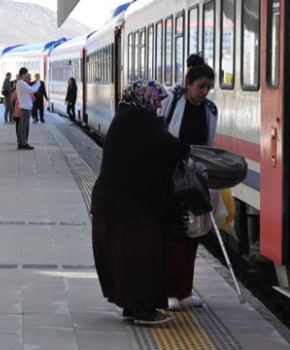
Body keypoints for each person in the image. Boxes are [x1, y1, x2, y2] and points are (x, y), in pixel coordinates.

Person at [91, 79, 191, 325]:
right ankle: (144, 310)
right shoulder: (138, 118)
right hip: (129, 204)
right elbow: (171, 147)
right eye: (156, 99)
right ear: (144, 97)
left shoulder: (127, 116)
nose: (158, 104)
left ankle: (133, 306)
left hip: (118, 202)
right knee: (143, 257)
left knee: (129, 257)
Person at [158, 54, 218, 311]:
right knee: (172, 233)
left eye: (208, 88)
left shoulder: (210, 110)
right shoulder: (171, 101)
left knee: (193, 234)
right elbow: (159, 137)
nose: (204, 92)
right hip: (170, 176)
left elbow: (209, 145)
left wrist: (205, 170)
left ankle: (184, 290)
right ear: (189, 83)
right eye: (200, 86)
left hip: (195, 178)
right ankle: (168, 290)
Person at [15, 67, 41, 150]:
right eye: (26, 73)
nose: (27, 75)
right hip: (25, 107)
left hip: (24, 106)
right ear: (23, 74)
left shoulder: (20, 83)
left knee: (21, 125)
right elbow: (32, 90)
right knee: (24, 126)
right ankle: (23, 143)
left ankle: (20, 142)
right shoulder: (22, 83)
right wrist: (38, 82)